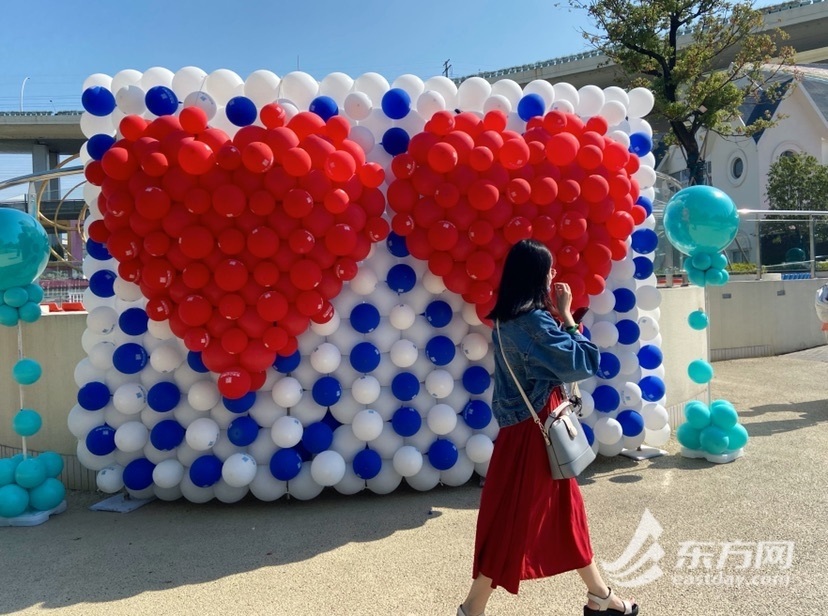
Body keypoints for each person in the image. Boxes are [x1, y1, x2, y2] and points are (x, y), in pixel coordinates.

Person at [458, 239, 639, 616]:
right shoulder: (534, 322)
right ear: (536, 276)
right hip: (537, 433)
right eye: (549, 269)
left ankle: (601, 596)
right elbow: (585, 362)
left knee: (560, 513)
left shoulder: (507, 320)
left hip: (524, 432)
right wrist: (569, 317)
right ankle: (473, 608)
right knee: (516, 519)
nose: (554, 274)